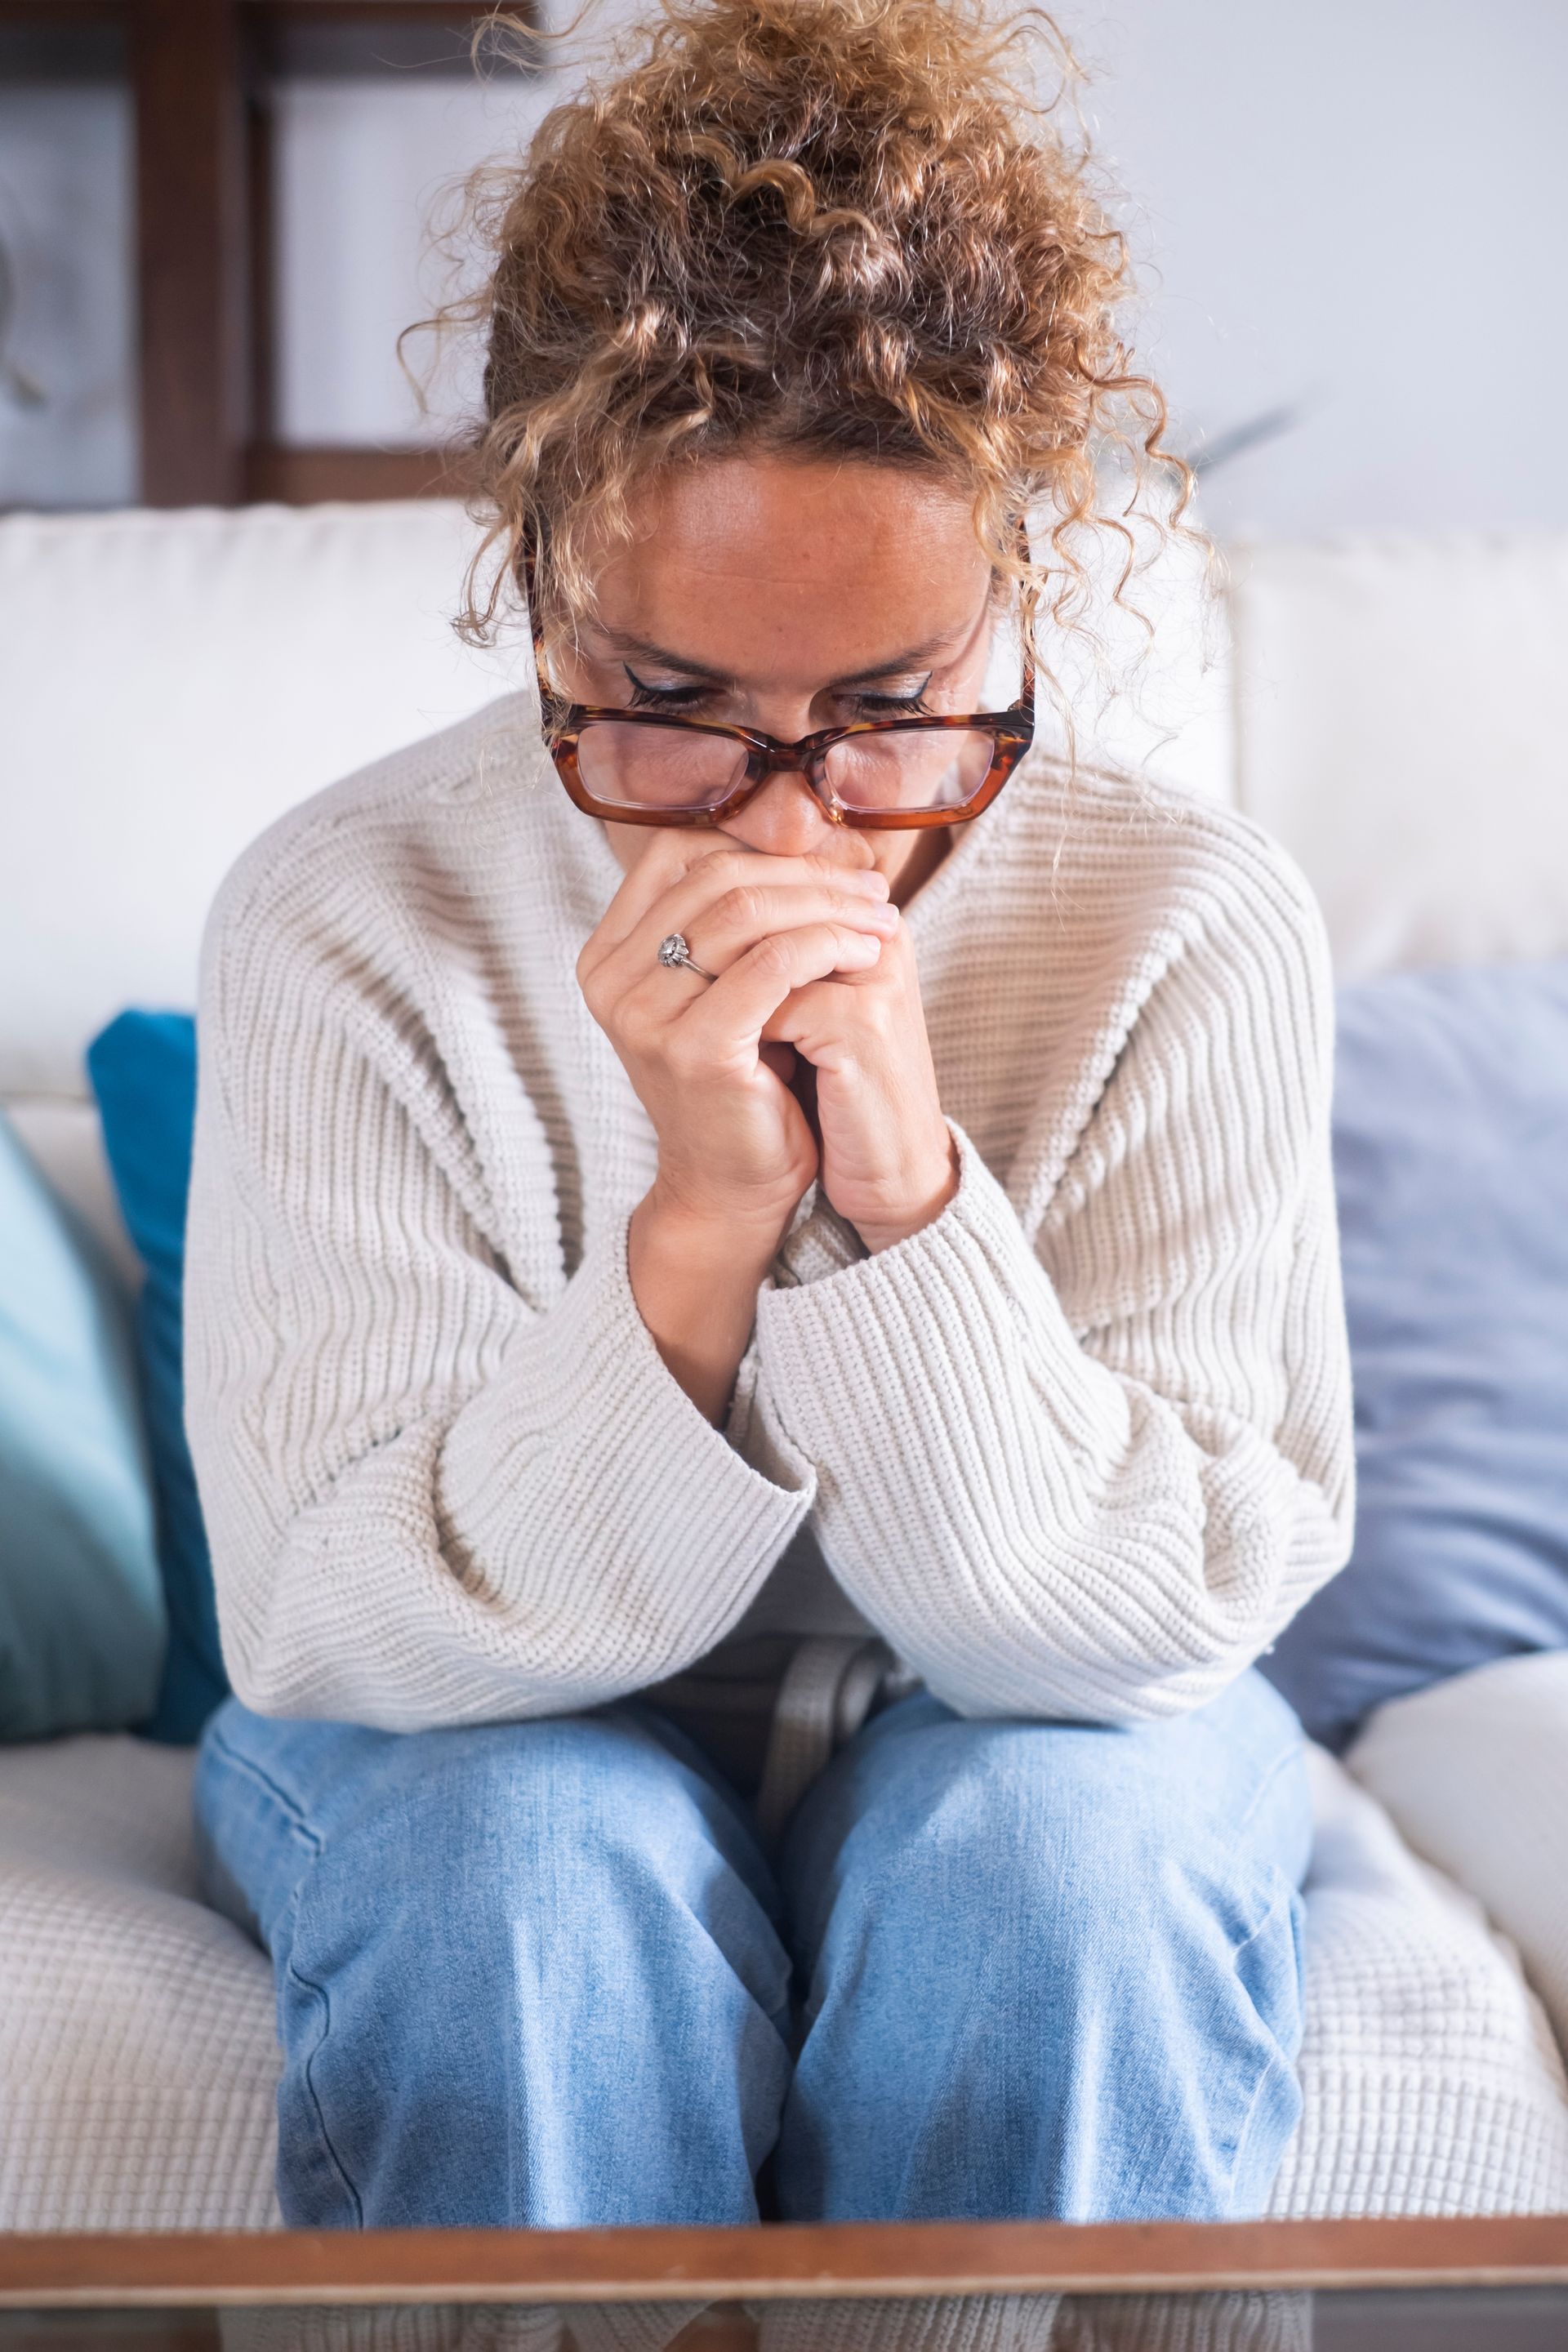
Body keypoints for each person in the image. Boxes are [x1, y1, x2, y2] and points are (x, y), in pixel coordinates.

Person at [185, 0, 1353, 2230]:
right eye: (675, 713)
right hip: (468, 1743)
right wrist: (698, 1238)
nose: (800, 830)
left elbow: (1138, 1638)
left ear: (1018, 591)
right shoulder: (349, 919)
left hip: (1027, 1728)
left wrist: (905, 1203)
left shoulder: (1194, 925)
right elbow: (341, 1625)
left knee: (1054, 1880)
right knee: (526, 1874)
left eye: (901, 713)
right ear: (542, 590)